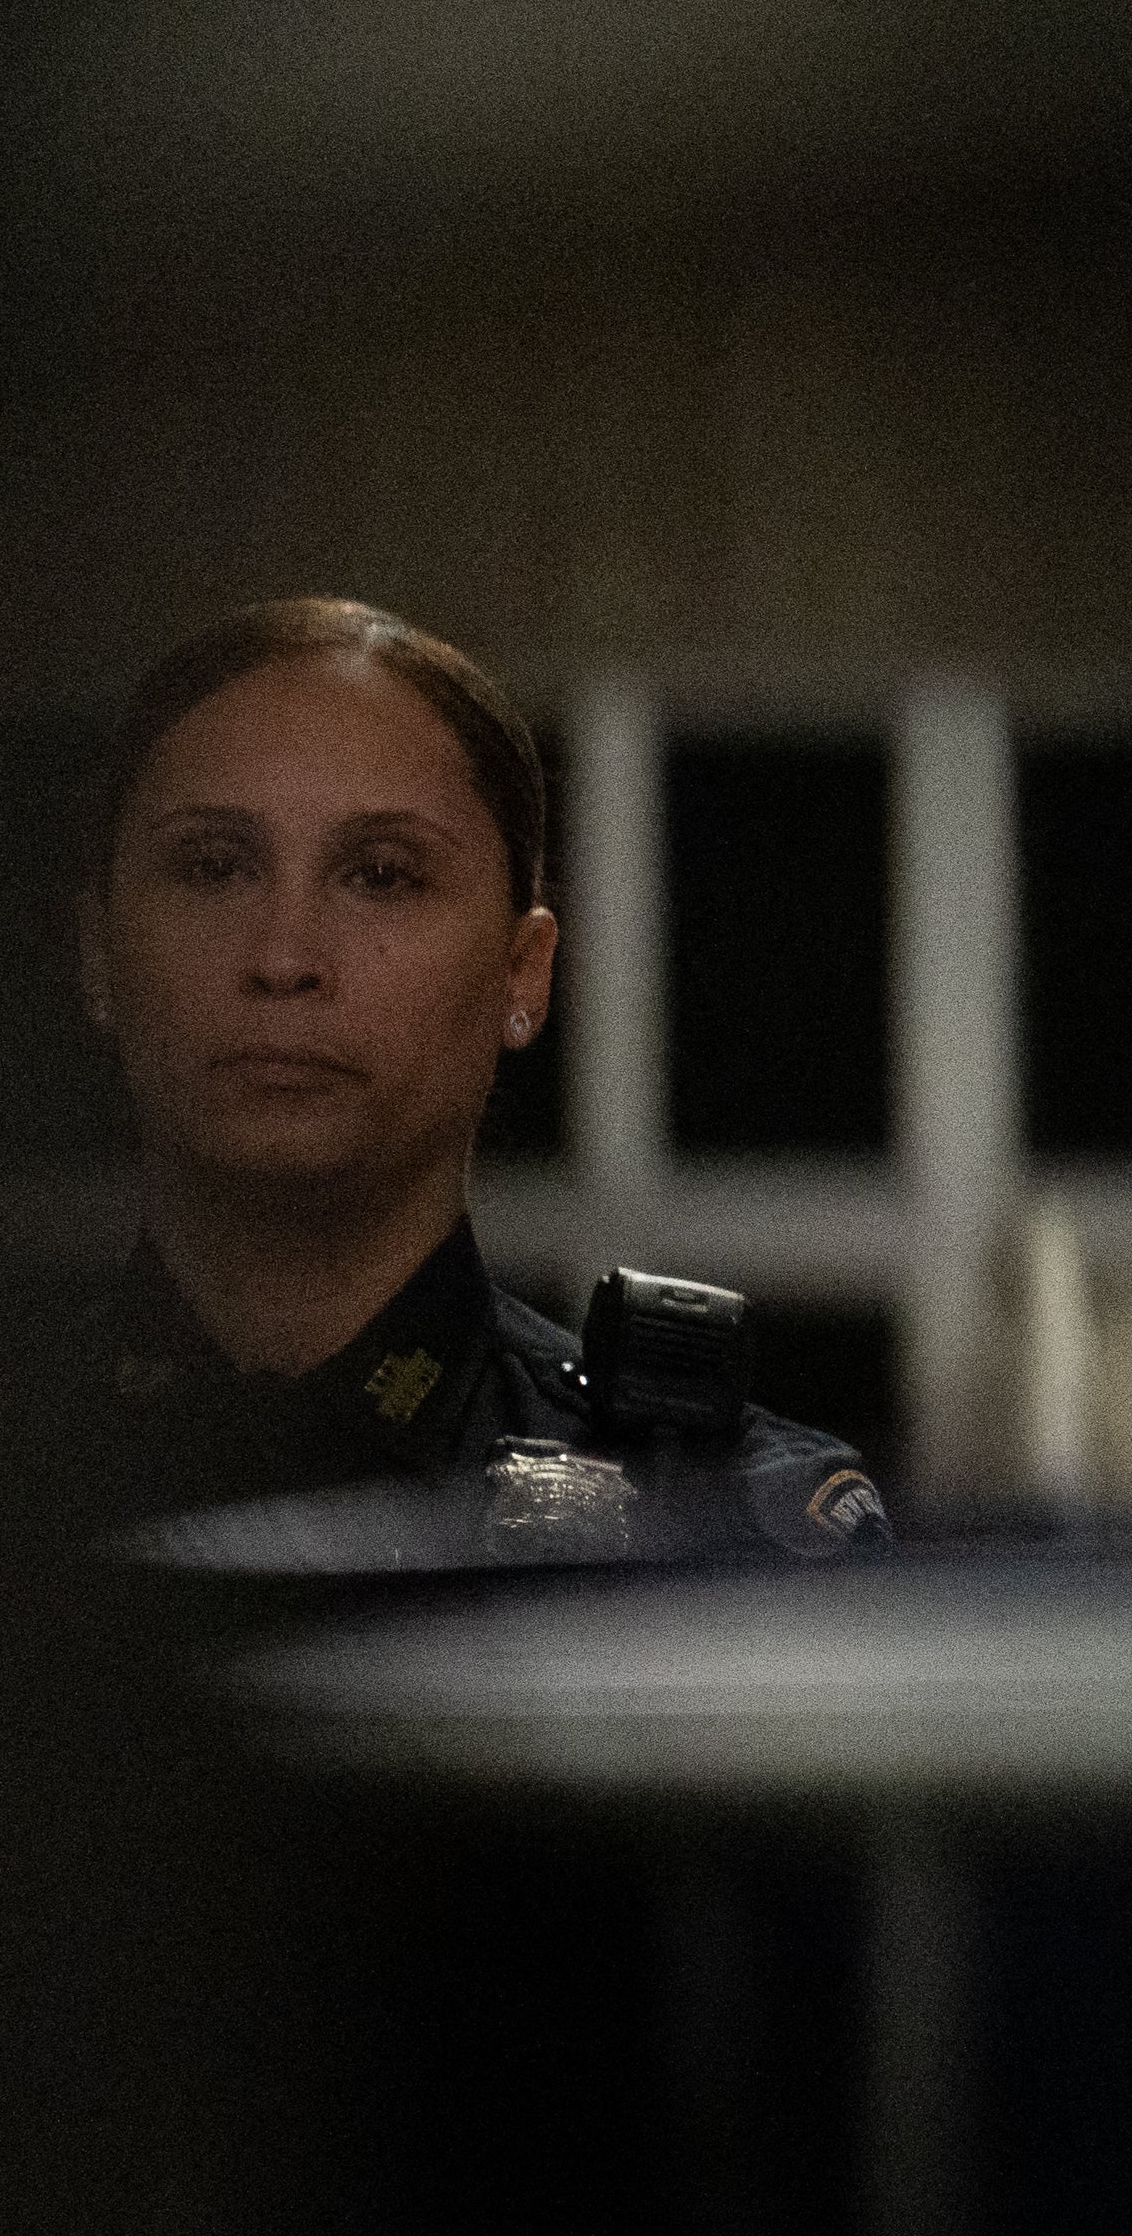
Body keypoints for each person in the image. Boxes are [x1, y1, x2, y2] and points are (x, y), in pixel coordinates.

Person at [62, 596, 883, 1557]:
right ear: (99, 956)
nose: (284, 957)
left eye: (381, 874)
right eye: (210, 865)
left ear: (521, 973)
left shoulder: (721, 1521)